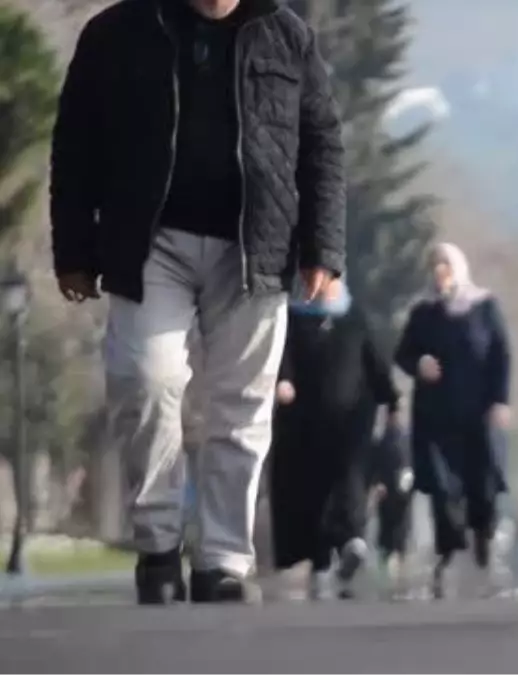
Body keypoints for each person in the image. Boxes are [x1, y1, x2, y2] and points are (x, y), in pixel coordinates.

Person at [49, 0, 345, 604]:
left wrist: (323, 248)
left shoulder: (286, 36)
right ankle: (157, 545)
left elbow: (323, 145)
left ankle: (223, 562)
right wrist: (74, 249)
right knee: (144, 379)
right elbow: (75, 143)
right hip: (149, 242)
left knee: (242, 407)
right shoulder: (117, 32)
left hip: (254, 248)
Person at [394, 242, 511, 598]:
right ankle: (447, 552)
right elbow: (403, 354)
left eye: (444, 264)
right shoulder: (423, 312)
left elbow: (501, 354)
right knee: (443, 490)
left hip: (479, 414)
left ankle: (483, 539)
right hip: (436, 416)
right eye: (433, 264)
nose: (438, 270)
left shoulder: (484, 307)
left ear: (457, 267)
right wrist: (419, 365)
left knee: (483, 485)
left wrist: (500, 401)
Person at [269, 280, 399, 599]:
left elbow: (376, 361)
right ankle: (319, 558)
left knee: (350, 479)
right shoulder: (292, 316)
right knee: (310, 489)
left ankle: (351, 539)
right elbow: (280, 355)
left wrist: (392, 400)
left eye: (333, 279)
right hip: (304, 421)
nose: (326, 286)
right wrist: (283, 380)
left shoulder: (354, 316)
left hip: (352, 418)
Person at [371, 406, 415, 573]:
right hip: (387, 493)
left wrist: (409, 482)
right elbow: (374, 465)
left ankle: (399, 565)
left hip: (403, 494)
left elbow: (412, 464)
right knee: (386, 531)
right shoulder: (381, 440)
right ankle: (387, 565)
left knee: (402, 531)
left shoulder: (408, 439)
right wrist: (377, 483)